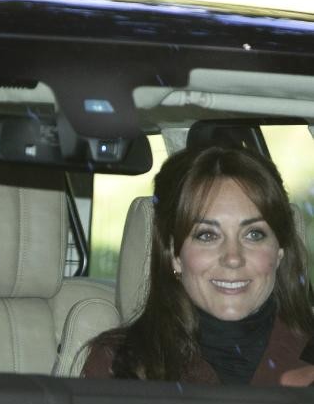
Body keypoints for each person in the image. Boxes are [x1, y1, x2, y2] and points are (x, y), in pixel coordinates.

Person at [82, 145, 314, 386]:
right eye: (207, 235)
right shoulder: (122, 365)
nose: (233, 258)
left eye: (253, 234)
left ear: (279, 251)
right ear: (175, 255)